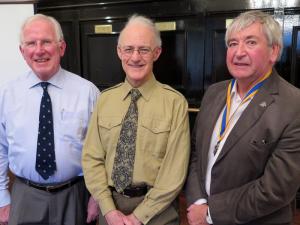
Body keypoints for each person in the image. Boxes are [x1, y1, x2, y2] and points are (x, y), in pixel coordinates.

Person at [185, 10, 300, 225]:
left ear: (273, 51)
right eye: (232, 44)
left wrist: (210, 214)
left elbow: (276, 189)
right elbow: (195, 154)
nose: (239, 52)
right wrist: (198, 201)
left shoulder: (294, 105)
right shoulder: (214, 93)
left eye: (250, 42)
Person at [82, 14, 190, 225]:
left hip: (159, 214)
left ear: (156, 53)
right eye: (129, 49)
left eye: (144, 49)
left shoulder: (175, 103)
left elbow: (174, 173)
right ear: (119, 52)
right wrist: (108, 209)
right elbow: (91, 159)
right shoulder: (105, 100)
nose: (135, 57)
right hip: (110, 210)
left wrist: (139, 217)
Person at [0, 14, 100, 225]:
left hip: (76, 195)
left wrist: (97, 198)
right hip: (24, 196)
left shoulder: (88, 92)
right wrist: (2, 198)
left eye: (46, 41)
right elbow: (0, 149)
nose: (39, 50)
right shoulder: (7, 95)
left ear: (61, 47)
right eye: (31, 43)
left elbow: (104, 151)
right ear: (22, 51)